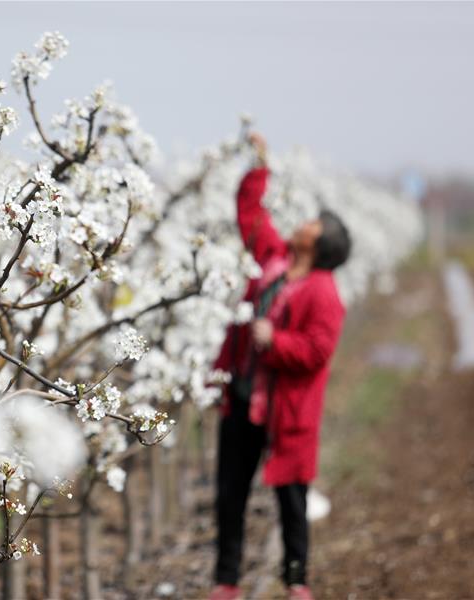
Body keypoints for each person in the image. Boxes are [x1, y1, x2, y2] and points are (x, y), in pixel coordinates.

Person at [208, 133, 352, 600]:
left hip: (285, 410)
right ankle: (226, 581)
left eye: (313, 224)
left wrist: (276, 341)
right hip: (243, 395)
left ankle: (296, 581)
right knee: (230, 492)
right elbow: (250, 216)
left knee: (292, 495)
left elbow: (317, 350)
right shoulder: (273, 260)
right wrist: (258, 166)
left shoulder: (323, 292)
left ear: (319, 244)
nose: (303, 224)